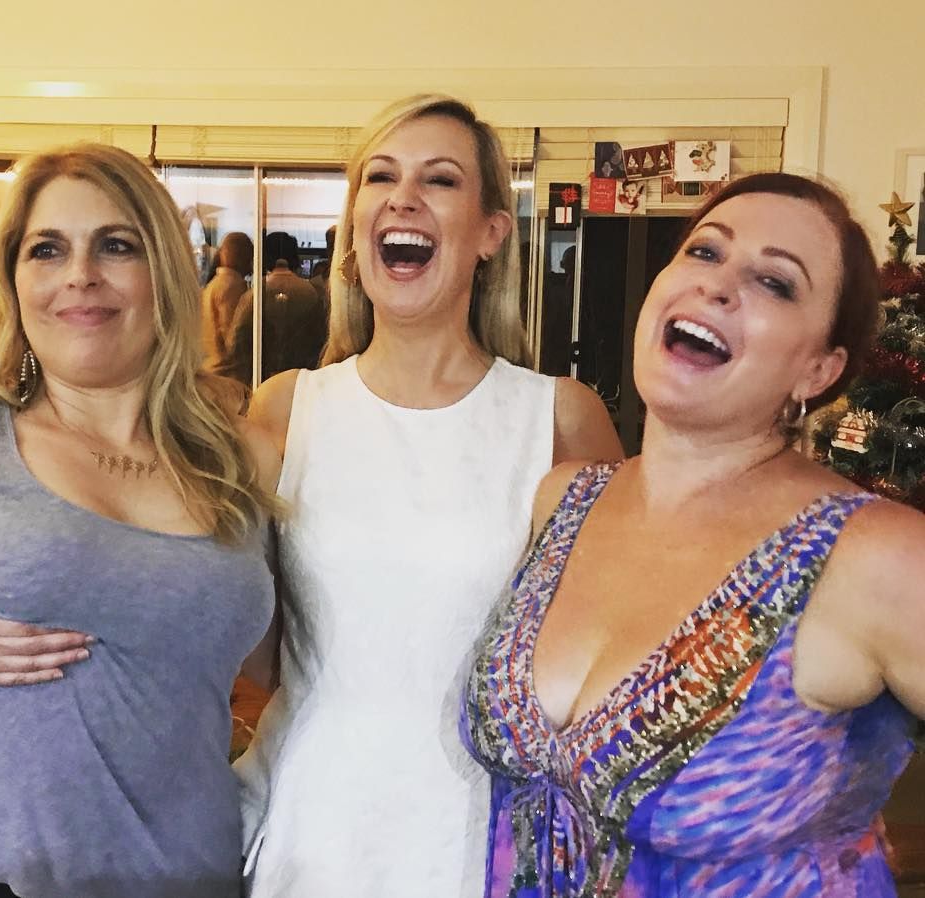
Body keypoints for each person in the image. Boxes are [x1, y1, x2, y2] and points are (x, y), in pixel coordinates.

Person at [462, 172, 925, 897]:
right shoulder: (565, 498)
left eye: (775, 283)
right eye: (705, 251)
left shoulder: (874, 553)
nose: (718, 285)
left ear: (819, 369)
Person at [0, 143, 280, 898]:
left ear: (164, 272)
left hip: (190, 876)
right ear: (13, 280)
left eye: (116, 245)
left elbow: (292, 665)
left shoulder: (239, 459)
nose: (80, 274)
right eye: (47, 249)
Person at [235, 94, 623, 897]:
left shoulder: (559, 418)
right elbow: (246, 637)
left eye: (439, 180)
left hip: (483, 841)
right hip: (314, 828)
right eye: (381, 177)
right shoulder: (286, 408)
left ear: (491, 232)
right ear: (354, 228)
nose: (402, 197)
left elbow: (614, 654)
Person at [216, 231, 328, 385]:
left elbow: (236, 341)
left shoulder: (255, 294)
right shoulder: (311, 293)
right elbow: (320, 338)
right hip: (301, 377)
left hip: (262, 377)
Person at [202, 230, 253, 367]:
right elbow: (232, 337)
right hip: (227, 371)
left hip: (211, 366)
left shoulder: (214, 284)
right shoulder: (232, 286)